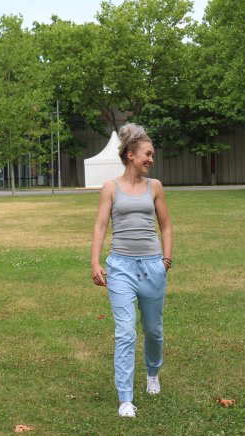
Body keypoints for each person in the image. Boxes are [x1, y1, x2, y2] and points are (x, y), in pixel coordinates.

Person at [91, 123, 173, 418]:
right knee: (125, 332)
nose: (151, 159)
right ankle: (125, 397)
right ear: (130, 155)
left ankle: (153, 372)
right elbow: (101, 225)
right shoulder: (111, 188)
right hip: (121, 267)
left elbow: (165, 225)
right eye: (147, 154)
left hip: (153, 266)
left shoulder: (156, 187)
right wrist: (95, 261)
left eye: (152, 155)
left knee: (153, 330)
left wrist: (165, 260)